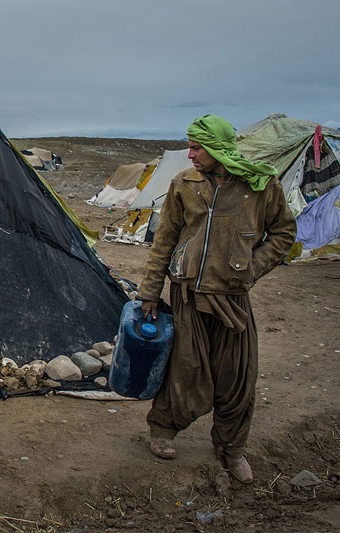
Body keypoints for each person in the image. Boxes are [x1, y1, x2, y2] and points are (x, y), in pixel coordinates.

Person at [138, 114, 297, 484]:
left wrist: (253, 268)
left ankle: (231, 448)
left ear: (218, 148)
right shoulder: (184, 184)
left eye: (197, 147)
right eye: (190, 146)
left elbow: (284, 232)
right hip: (188, 293)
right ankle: (162, 431)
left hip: (233, 296)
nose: (190, 154)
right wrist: (149, 291)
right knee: (184, 367)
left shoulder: (260, 185)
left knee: (238, 376)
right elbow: (163, 241)